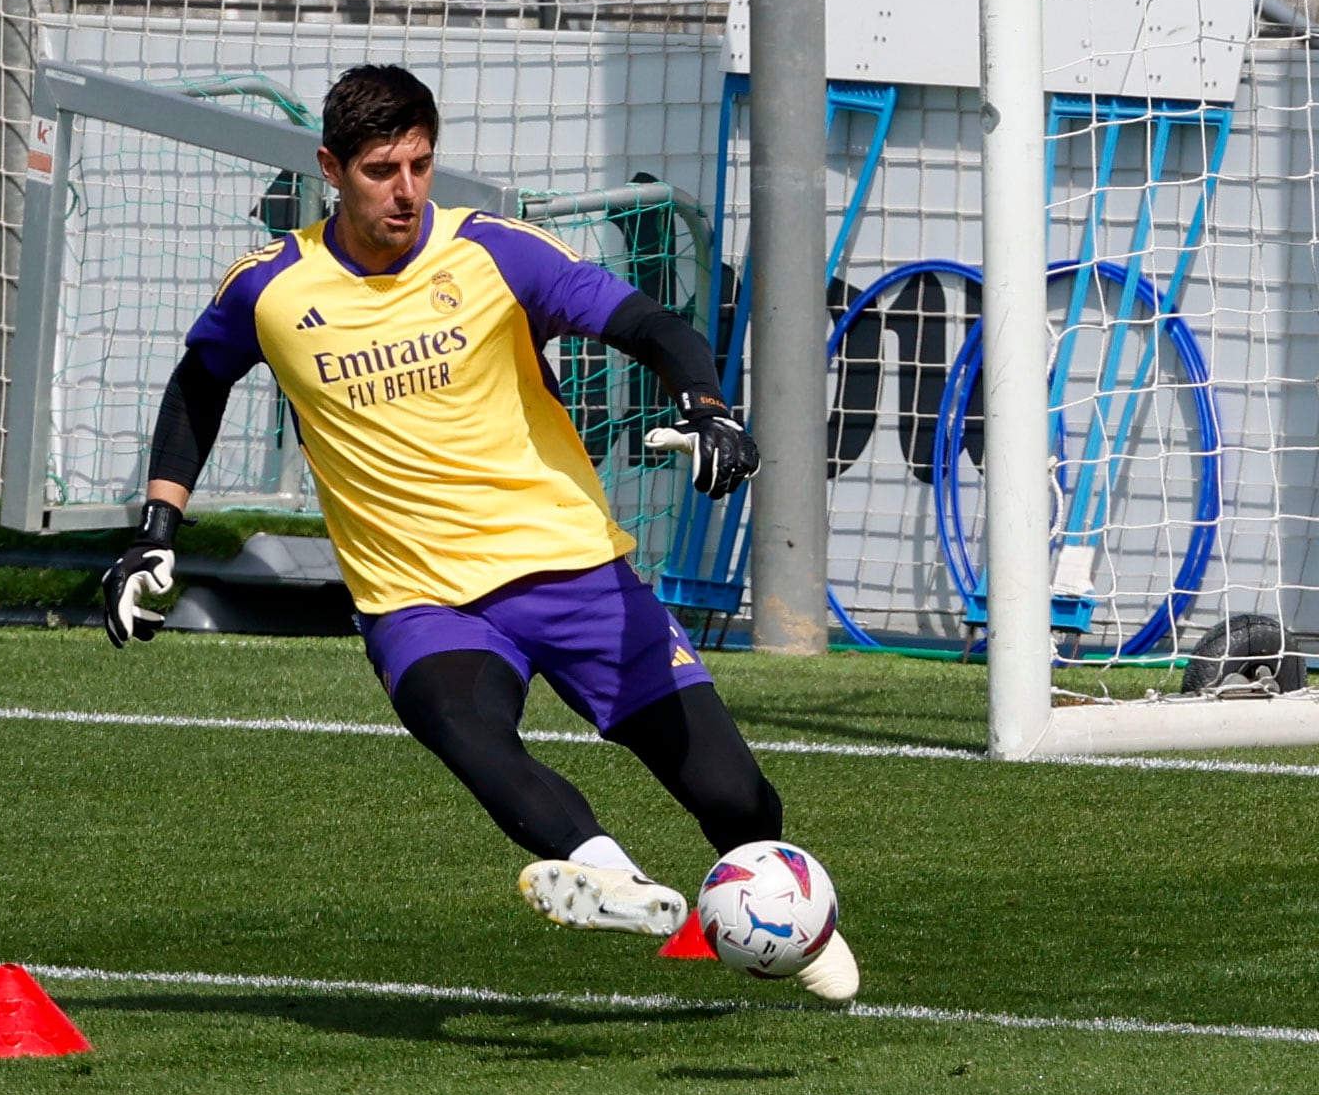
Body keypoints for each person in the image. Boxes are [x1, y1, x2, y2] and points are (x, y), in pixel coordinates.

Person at [101, 64, 858, 1005]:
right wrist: (156, 528)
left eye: (421, 163)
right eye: (382, 169)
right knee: (473, 736)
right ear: (331, 168)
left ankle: (795, 923)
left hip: (571, 570)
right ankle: (611, 877)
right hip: (418, 600)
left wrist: (706, 405)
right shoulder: (271, 288)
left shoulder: (495, 251)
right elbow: (198, 381)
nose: (407, 189)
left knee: (736, 799)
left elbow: (650, 324)